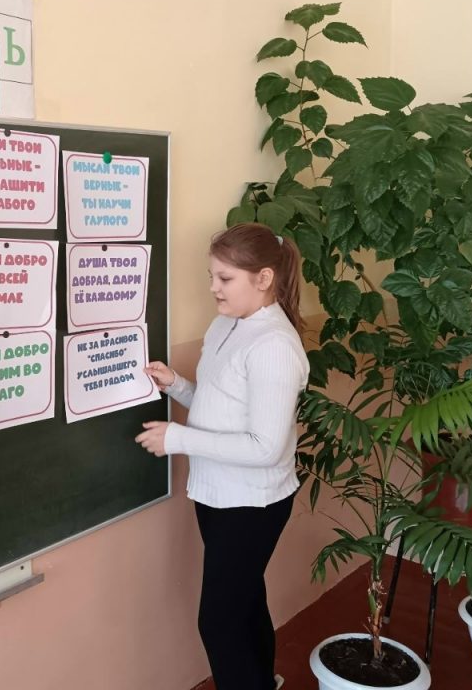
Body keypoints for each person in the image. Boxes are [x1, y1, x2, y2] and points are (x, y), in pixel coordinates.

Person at [136, 222, 309, 690]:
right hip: (220, 495)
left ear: (264, 278)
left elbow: (265, 446)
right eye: (212, 276)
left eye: (225, 278)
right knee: (245, 602)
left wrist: (178, 439)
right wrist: (177, 385)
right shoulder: (226, 325)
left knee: (218, 622)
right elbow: (221, 408)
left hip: (252, 504)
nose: (213, 287)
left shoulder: (274, 346)